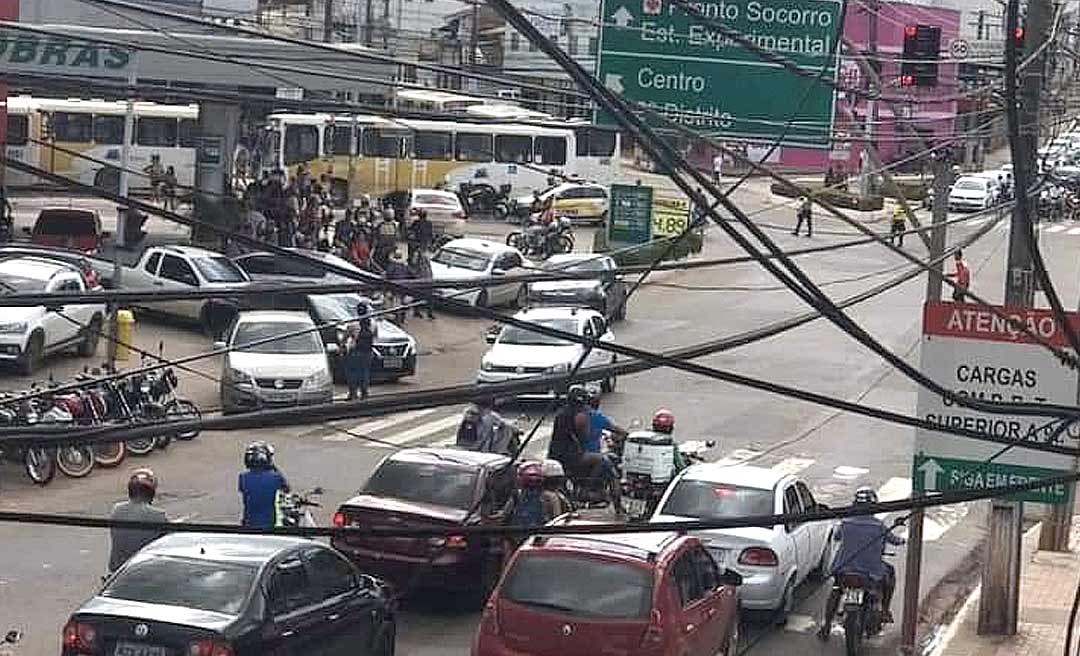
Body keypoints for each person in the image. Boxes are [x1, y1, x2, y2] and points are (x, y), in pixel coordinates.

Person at [817, 487, 905, 641]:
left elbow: (837, 537)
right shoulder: (879, 526)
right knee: (890, 573)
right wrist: (902, 540)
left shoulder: (846, 523)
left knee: (836, 591)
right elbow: (895, 540)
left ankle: (826, 626)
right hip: (870, 573)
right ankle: (885, 610)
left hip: (843, 570)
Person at [108, 468, 168, 573]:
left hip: (118, 570)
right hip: (145, 570)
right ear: (152, 493)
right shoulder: (158, 515)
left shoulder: (117, 509)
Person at [547, 386, 603, 483]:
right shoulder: (580, 415)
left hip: (554, 454)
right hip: (571, 456)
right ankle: (590, 486)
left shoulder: (561, 413)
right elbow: (585, 437)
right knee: (602, 460)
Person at [239, 442, 289, 529]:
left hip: (249, 522)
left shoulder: (243, 477)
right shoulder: (275, 477)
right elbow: (287, 489)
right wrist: (273, 467)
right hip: (270, 523)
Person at [586, 387, 627, 481]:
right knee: (610, 464)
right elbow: (615, 429)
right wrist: (627, 434)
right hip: (591, 454)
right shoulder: (597, 416)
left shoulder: (574, 414)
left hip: (575, 454)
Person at [343, 307, 377, 400]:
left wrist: (342, 347)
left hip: (355, 352)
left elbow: (345, 337)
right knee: (365, 372)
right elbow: (375, 337)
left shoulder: (353, 324)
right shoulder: (373, 324)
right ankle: (364, 392)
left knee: (352, 373)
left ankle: (353, 393)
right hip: (368, 352)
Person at [408, 247, 436, 320]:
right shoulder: (419, 260)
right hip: (422, 281)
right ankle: (417, 311)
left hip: (426, 280)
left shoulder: (425, 261)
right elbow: (414, 270)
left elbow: (428, 270)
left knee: (428, 298)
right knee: (419, 297)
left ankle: (428, 313)